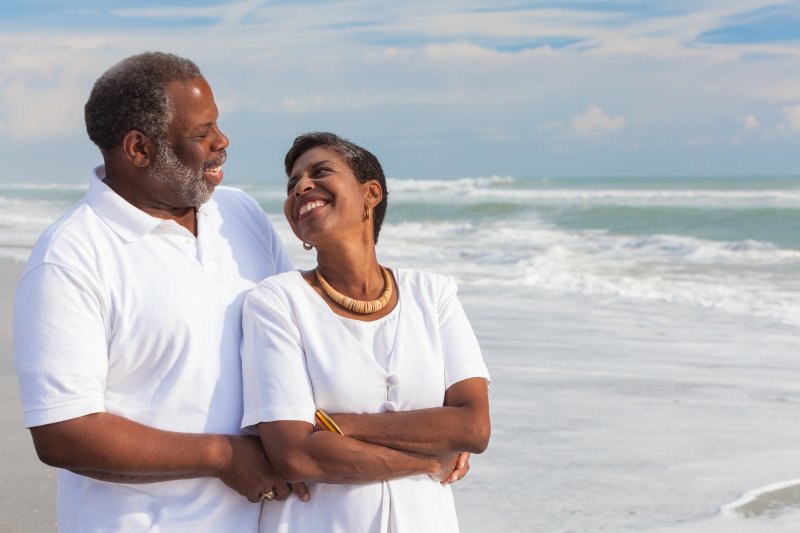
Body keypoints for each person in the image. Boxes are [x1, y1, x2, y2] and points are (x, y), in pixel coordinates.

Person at [13, 52, 300, 531]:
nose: (222, 142)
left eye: (218, 125)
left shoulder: (239, 213)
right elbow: (64, 432)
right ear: (138, 148)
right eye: (201, 134)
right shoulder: (70, 259)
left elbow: (300, 335)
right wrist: (224, 455)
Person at [240, 132, 491, 532]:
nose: (301, 186)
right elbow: (295, 455)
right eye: (292, 184)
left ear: (370, 193)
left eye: (320, 172)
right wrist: (427, 460)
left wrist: (338, 425)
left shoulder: (434, 294)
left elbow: (473, 428)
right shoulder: (276, 302)